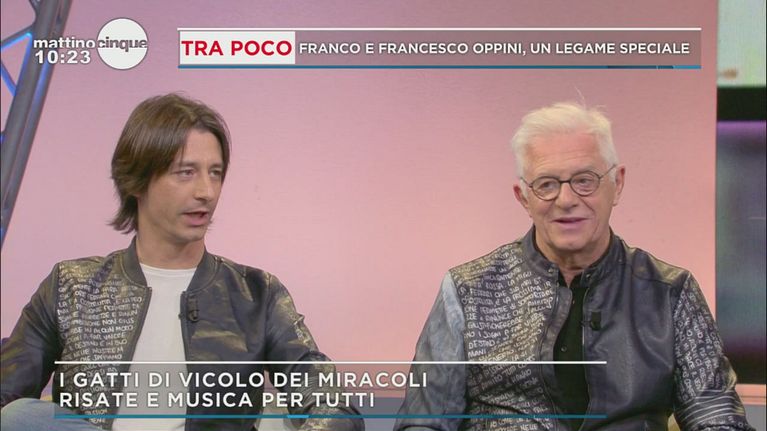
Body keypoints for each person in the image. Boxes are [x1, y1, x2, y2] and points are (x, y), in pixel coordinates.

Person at [0, 94, 363, 431]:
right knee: (21, 417)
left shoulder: (257, 294)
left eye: (215, 172)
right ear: (136, 181)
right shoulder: (72, 286)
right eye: (186, 172)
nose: (206, 191)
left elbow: (332, 405)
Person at [394, 102, 753, 431]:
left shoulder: (670, 293)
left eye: (584, 181)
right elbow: (423, 422)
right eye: (547, 184)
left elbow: (717, 416)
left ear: (617, 184)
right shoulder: (469, 290)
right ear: (524, 197)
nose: (566, 200)